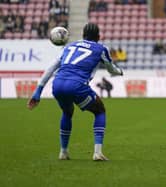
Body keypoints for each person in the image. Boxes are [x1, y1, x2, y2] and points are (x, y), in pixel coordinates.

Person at [27, 23, 123, 161]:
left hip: (58, 84)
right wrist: (119, 72)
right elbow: (111, 69)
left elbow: (51, 68)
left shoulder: (69, 46)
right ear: (99, 36)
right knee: (100, 111)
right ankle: (97, 152)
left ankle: (63, 152)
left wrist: (38, 91)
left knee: (67, 112)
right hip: (77, 85)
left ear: (83, 35)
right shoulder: (101, 48)